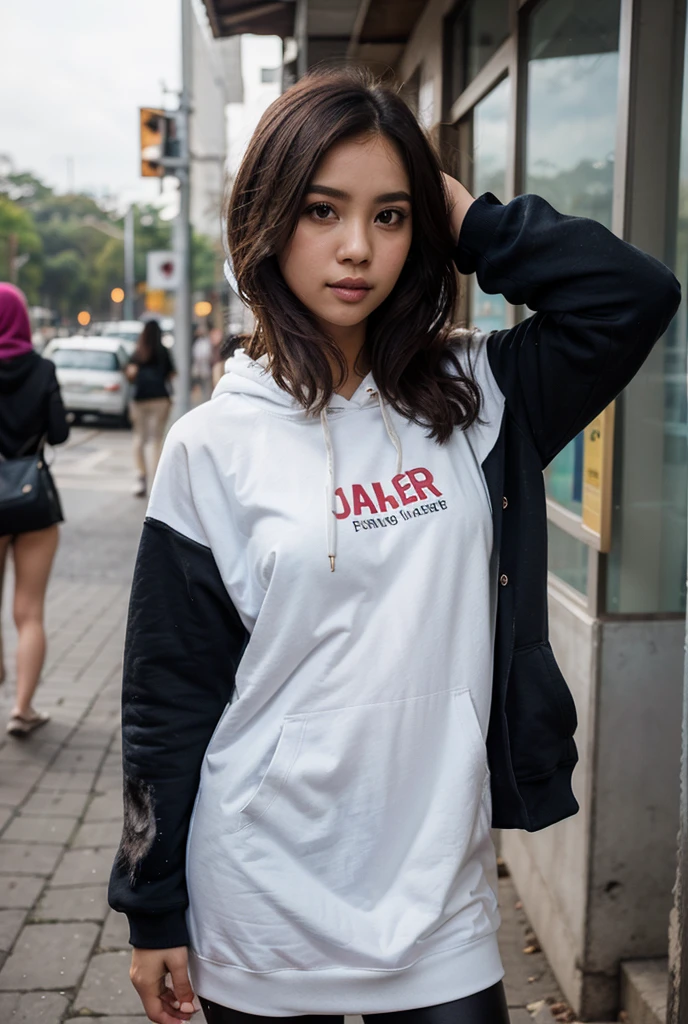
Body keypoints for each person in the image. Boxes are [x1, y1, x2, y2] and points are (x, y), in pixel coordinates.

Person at [108, 70, 681, 1024]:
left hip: (437, 900)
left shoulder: (481, 397)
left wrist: (468, 216)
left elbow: (634, 295)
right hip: (261, 895)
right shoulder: (212, 445)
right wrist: (151, 903)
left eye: (390, 216)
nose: (356, 248)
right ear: (269, 218)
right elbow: (167, 691)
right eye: (322, 209)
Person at [0, 283, 69, 737]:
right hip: (32, 500)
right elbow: (59, 433)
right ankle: (22, 709)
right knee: (29, 613)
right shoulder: (42, 368)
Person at [126, 320, 175, 498]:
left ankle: (141, 477)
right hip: (160, 399)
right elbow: (172, 374)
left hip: (140, 399)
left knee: (139, 437)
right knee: (155, 440)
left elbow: (130, 374)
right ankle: (156, 481)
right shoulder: (163, 351)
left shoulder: (138, 351)